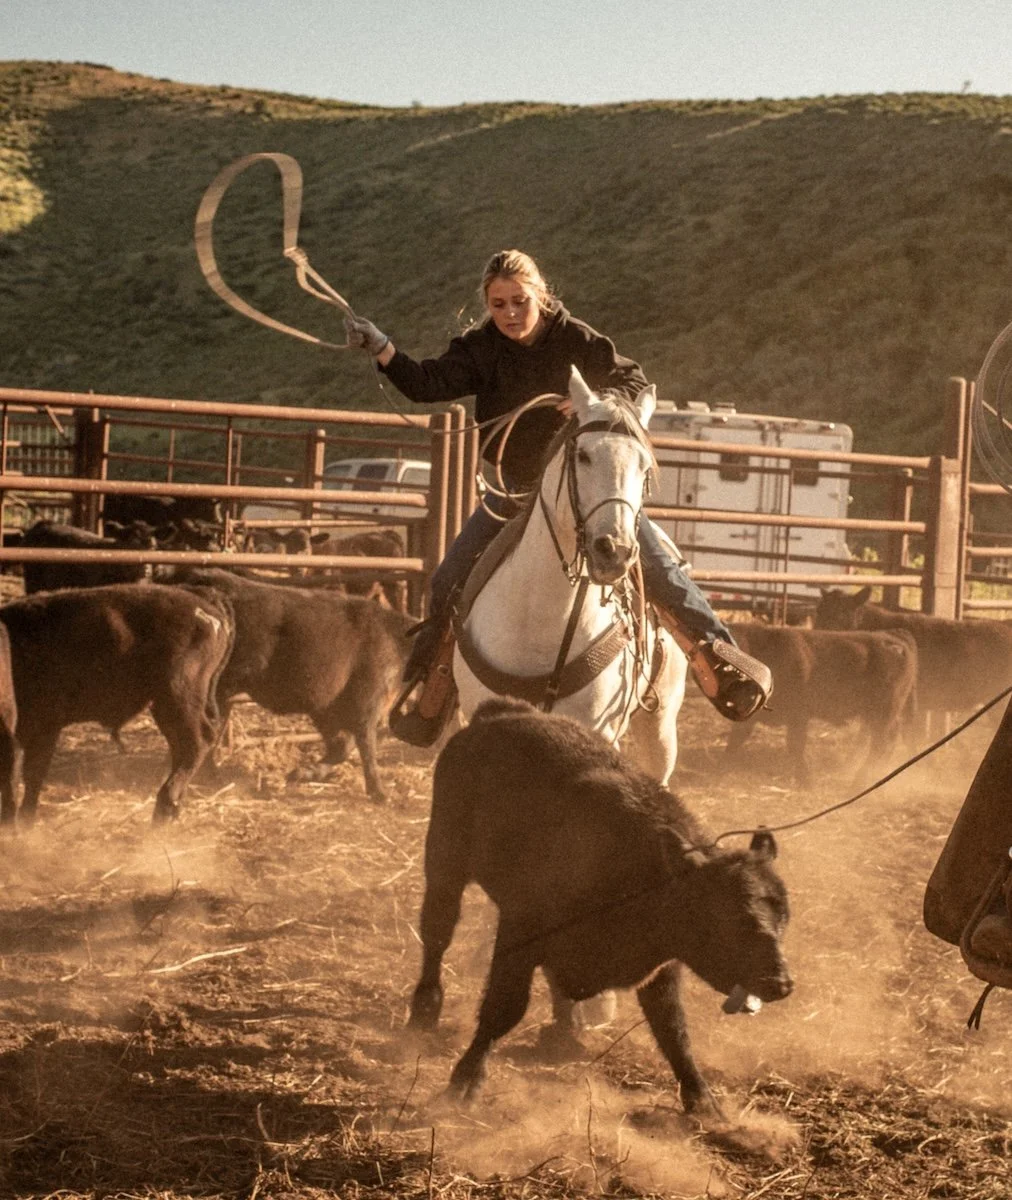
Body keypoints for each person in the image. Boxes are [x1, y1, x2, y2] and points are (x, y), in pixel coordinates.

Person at [345, 249, 771, 741]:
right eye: (498, 303)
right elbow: (427, 383)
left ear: (540, 297)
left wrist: (596, 400)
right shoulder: (481, 347)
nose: (508, 314)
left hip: (588, 495)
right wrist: (382, 349)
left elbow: (633, 381)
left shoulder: (576, 339)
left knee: (657, 564)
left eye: (519, 301)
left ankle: (722, 658)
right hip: (514, 493)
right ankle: (425, 694)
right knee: (447, 580)